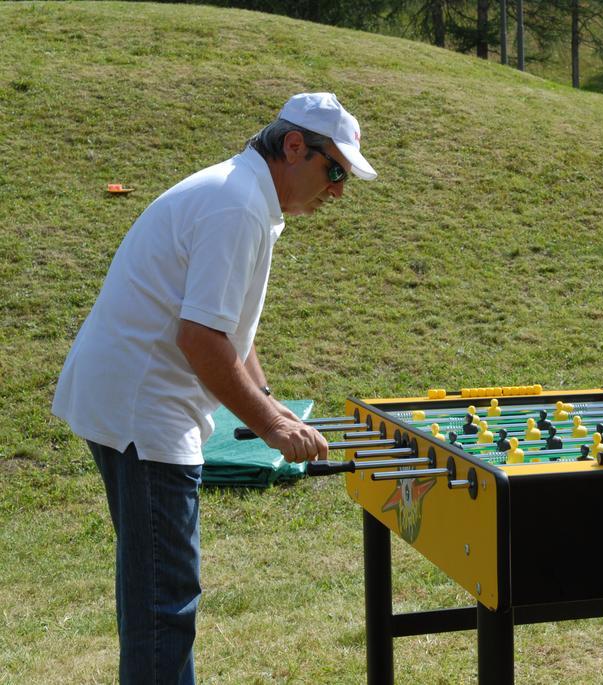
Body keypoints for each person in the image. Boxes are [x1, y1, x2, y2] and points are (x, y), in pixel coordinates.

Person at [51, 92, 377, 684]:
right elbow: (200, 339)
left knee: (157, 597)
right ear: (295, 147)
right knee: (164, 606)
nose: (337, 190)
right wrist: (274, 427)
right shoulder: (237, 207)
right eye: (334, 170)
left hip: (132, 400)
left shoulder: (244, 195)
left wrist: (268, 401)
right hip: (144, 413)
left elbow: (227, 328)